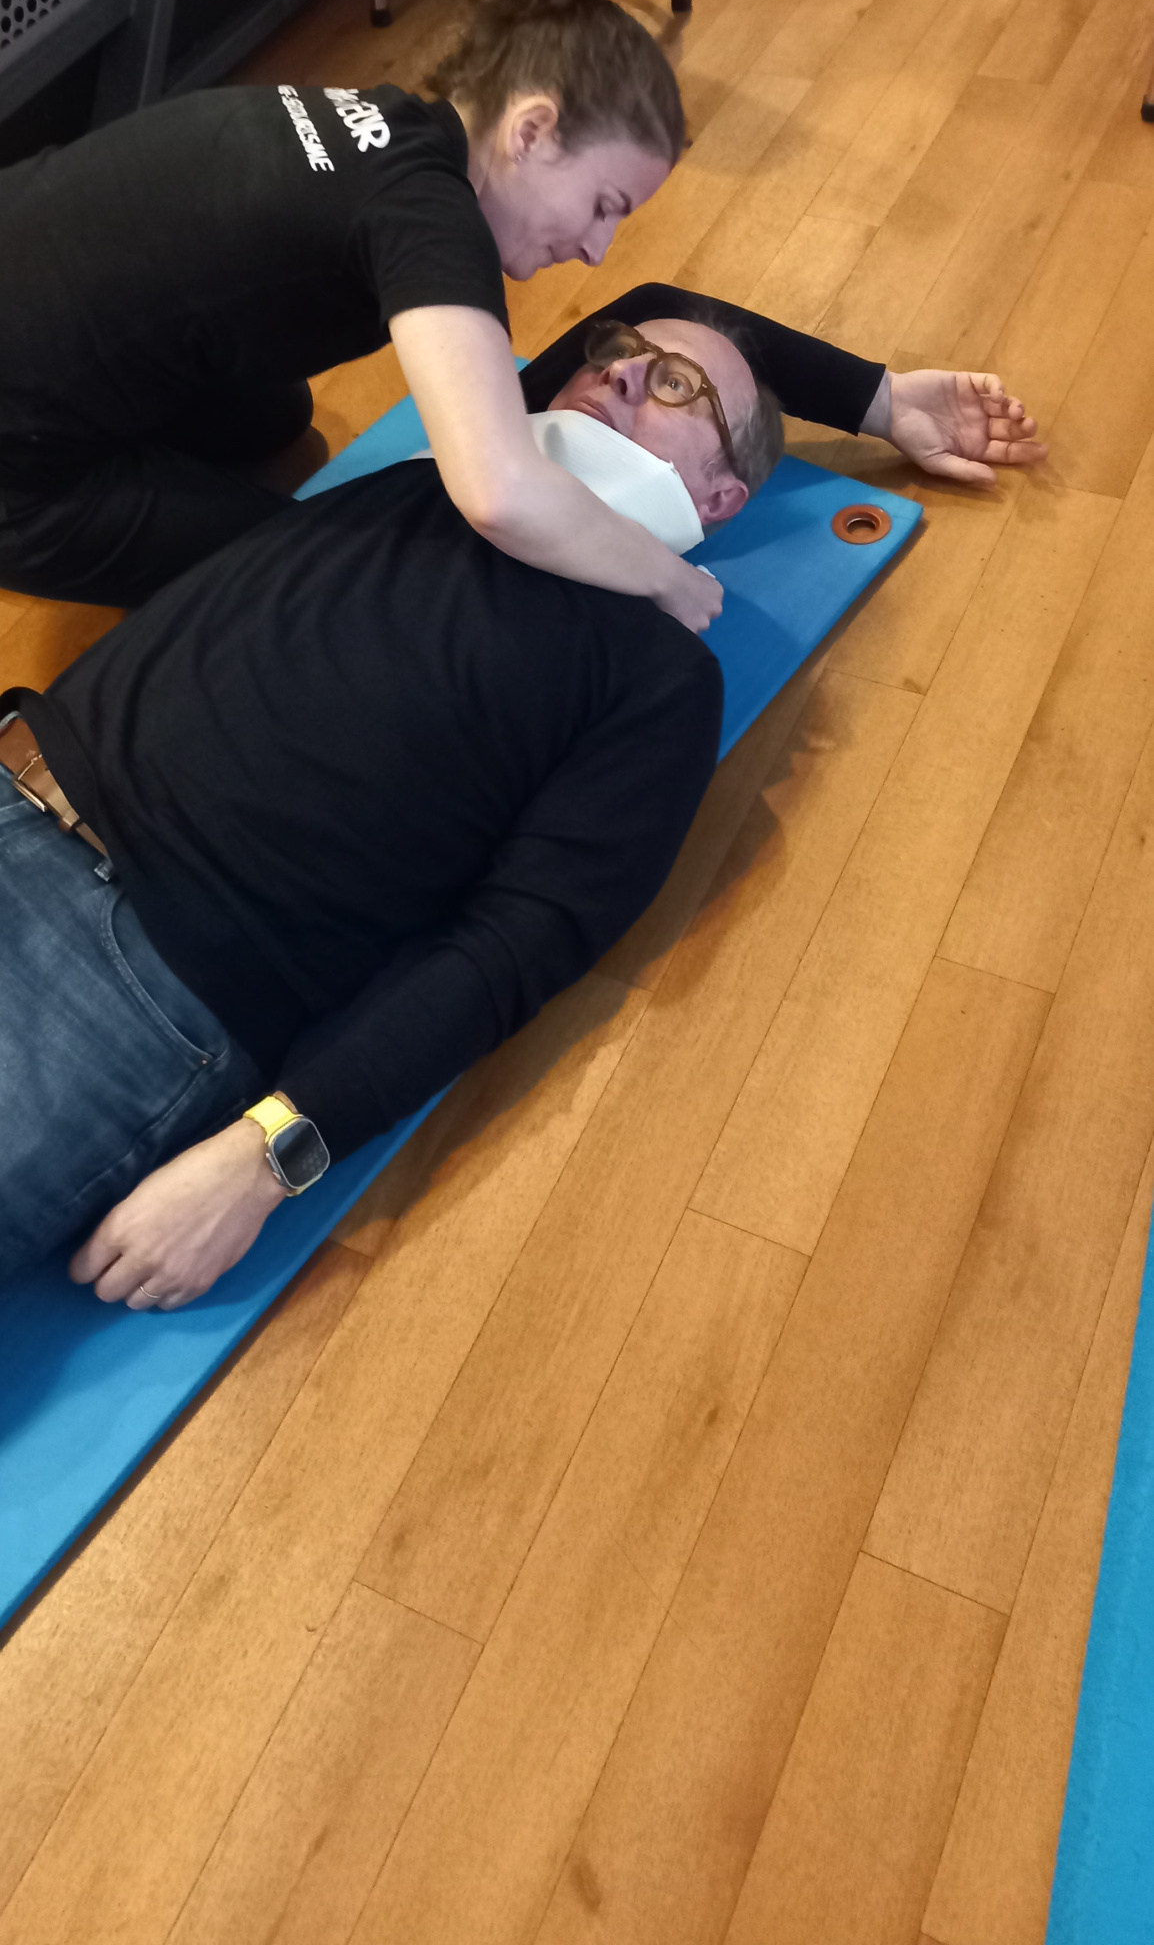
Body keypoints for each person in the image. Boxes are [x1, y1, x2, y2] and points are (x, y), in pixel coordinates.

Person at [0, 295, 1046, 1307]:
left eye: (672, 385)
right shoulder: (452, 478)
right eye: (615, 354)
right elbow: (653, 300)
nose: (621, 374)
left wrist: (269, 1155)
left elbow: (513, 948)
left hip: (127, 971)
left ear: (721, 499)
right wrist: (879, 398)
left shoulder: (656, 679)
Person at [0, 0, 723, 638]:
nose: (598, 249)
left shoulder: (395, 126)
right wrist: (667, 578)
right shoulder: (429, 217)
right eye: (603, 206)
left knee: (276, 415)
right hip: (19, 468)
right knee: (321, 577)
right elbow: (499, 493)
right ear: (530, 132)